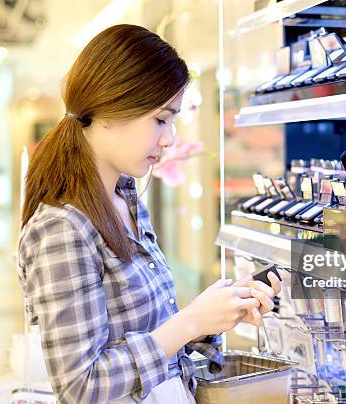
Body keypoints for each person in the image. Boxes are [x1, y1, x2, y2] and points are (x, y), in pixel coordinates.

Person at [17, 24, 281, 403]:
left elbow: (152, 340)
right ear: (110, 108)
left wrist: (214, 316)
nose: (170, 137)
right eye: (161, 119)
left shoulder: (127, 200)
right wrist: (190, 321)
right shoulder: (62, 227)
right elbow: (80, 387)